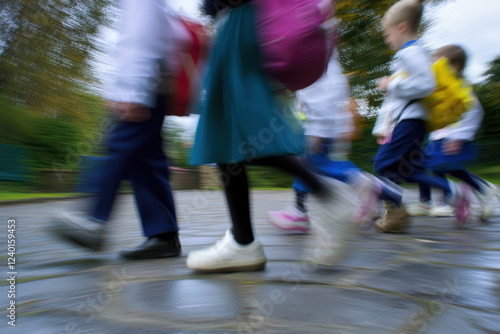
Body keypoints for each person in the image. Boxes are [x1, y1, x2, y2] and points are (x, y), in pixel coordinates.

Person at [185, 0, 357, 272]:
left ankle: (327, 196)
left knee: (226, 131)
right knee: (235, 136)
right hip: (248, 26)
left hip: (239, 23)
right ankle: (244, 241)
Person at [51, 0, 186, 259]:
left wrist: (131, 90)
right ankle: (163, 234)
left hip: (145, 82)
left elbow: (140, 36)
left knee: (120, 146)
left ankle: (93, 219)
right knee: (147, 160)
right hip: (156, 79)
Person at [268, 54, 403, 233]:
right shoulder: (324, 58)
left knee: (316, 165)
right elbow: (333, 89)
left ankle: (376, 187)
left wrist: (316, 129)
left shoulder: (315, 56)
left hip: (317, 127)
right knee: (309, 164)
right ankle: (299, 210)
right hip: (317, 125)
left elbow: (321, 95)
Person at [373, 0, 471, 233]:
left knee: (382, 163)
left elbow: (425, 85)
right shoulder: (413, 53)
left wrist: (391, 84)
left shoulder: (410, 52)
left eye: (387, 33)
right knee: (410, 170)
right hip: (411, 121)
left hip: (411, 122)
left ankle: (395, 208)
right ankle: (451, 193)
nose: (387, 40)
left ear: (401, 27)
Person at [408, 45, 498, 220]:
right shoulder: (440, 88)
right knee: (434, 167)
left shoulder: (460, 88)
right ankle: (428, 201)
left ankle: (479, 191)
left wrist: (458, 137)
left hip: (451, 139)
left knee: (439, 168)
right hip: (438, 138)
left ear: (454, 67)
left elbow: (474, 112)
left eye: (439, 64)